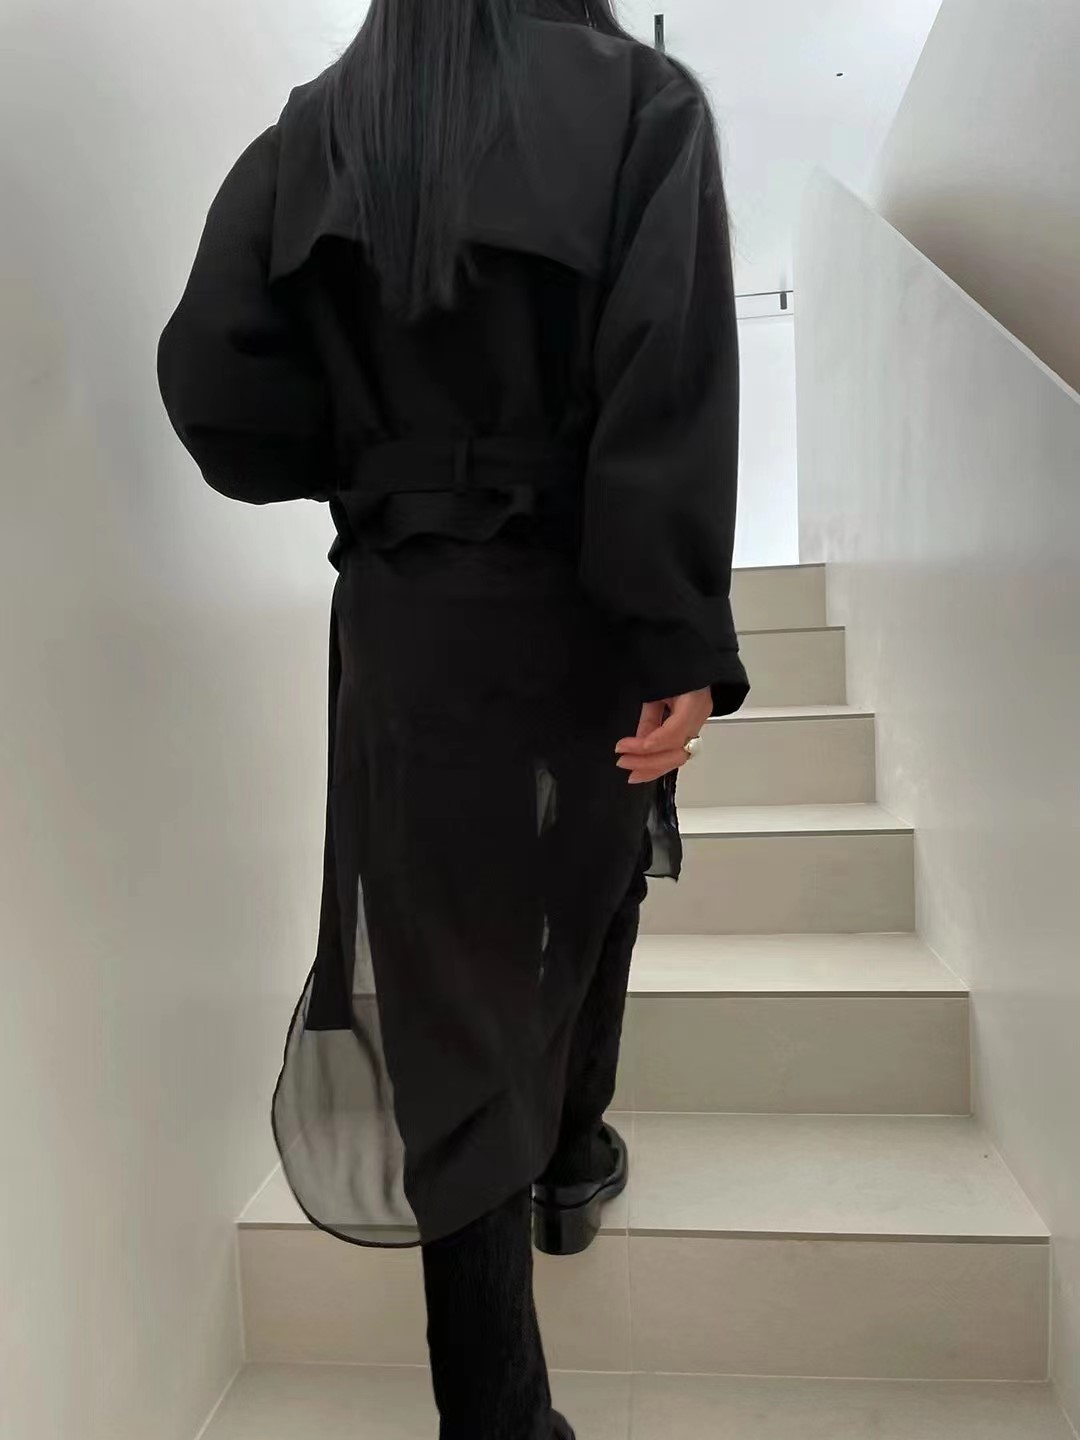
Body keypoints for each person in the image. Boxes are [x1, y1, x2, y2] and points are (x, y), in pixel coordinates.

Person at [158, 0, 747, 1433]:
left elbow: (214, 385)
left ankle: (500, 1393)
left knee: (441, 983)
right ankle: (570, 1160)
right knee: (596, 870)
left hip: (410, 615)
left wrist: (385, 461)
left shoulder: (320, 127)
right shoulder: (642, 102)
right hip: (582, 600)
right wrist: (676, 628)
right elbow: (664, 377)